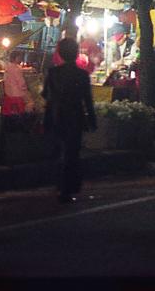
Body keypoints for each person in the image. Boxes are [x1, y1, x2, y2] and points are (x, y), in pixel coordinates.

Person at [42, 38, 98, 203]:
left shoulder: (53, 73)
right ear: (75, 53)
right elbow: (87, 100)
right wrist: (92, 120)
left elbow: (46, 95)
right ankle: (68, 186)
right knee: (72, 153)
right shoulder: (82, 75)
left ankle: (60, 185)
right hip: (75, 117)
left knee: (58, 152)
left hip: (56, 116)